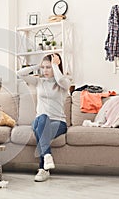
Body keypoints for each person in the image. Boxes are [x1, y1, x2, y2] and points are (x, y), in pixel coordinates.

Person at [17, 53, 71, 182]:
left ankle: (43, 169)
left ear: (56, 67)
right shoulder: (39, 81)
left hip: (58, 122)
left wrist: (55, 65)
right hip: (40, 120)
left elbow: (61, 80)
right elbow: (20, 73)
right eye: (44, 67)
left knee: (41, 133)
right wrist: (37, 66)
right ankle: (46, 157)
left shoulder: (63, 83)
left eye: (49, 67)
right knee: (42, 118)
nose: (45, 70)